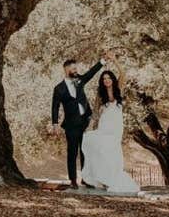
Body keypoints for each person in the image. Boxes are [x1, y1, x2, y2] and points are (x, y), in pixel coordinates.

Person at [80, 51, 140, 193]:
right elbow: (95, 114)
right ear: (102, 81)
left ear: (112, 79)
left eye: (108, 78)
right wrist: (89, 127)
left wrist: (114, 60)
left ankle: (112, 179)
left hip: (116, 127)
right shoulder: (100, 95)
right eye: (104, 79)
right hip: (104, 125)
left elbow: (123, 74)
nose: (106, 80)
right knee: (100, 149)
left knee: (112, 152)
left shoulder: (119, 89)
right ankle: (104, 179)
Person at [49, 55, 106, 188]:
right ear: (66, 69)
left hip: (85, 122)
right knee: (72, 152)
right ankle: (73, 180)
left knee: (85, 151)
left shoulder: (80, 79)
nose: (76, 71)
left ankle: (85, 179)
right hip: (71, 125)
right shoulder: (59, 88)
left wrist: (102, 61)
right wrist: (55, 124)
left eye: (76, 68)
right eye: (73, 69)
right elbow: (55, 106)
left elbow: (91, 73)